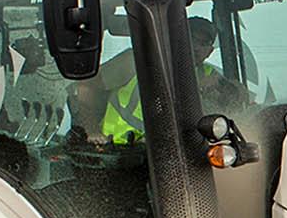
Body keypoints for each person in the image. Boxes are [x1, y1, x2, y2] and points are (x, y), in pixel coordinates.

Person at [96, 16, 252, 144]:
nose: (196, 47)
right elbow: (87, 86)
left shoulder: (207, 72)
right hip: (121, 146)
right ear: (177, 39)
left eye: (203, 43)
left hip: (169, 149)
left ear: (210, 51)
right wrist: (91, 132)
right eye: (192, 38)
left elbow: (235, 98)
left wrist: (236, 91)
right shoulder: (138, 60)